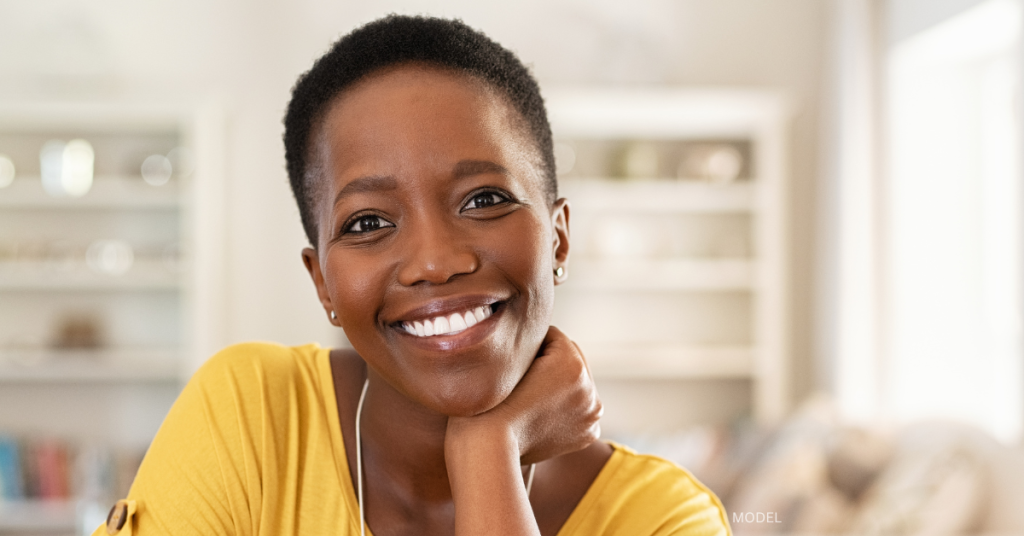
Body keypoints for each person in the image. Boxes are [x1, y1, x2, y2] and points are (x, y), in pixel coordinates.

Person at [94, 15, 730, 536]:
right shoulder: (253, 416)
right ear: (323, 284)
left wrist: (487, 452)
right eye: (368, 222)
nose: (435, 261)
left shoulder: (664, 519)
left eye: (484, 200)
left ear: (559, 237)